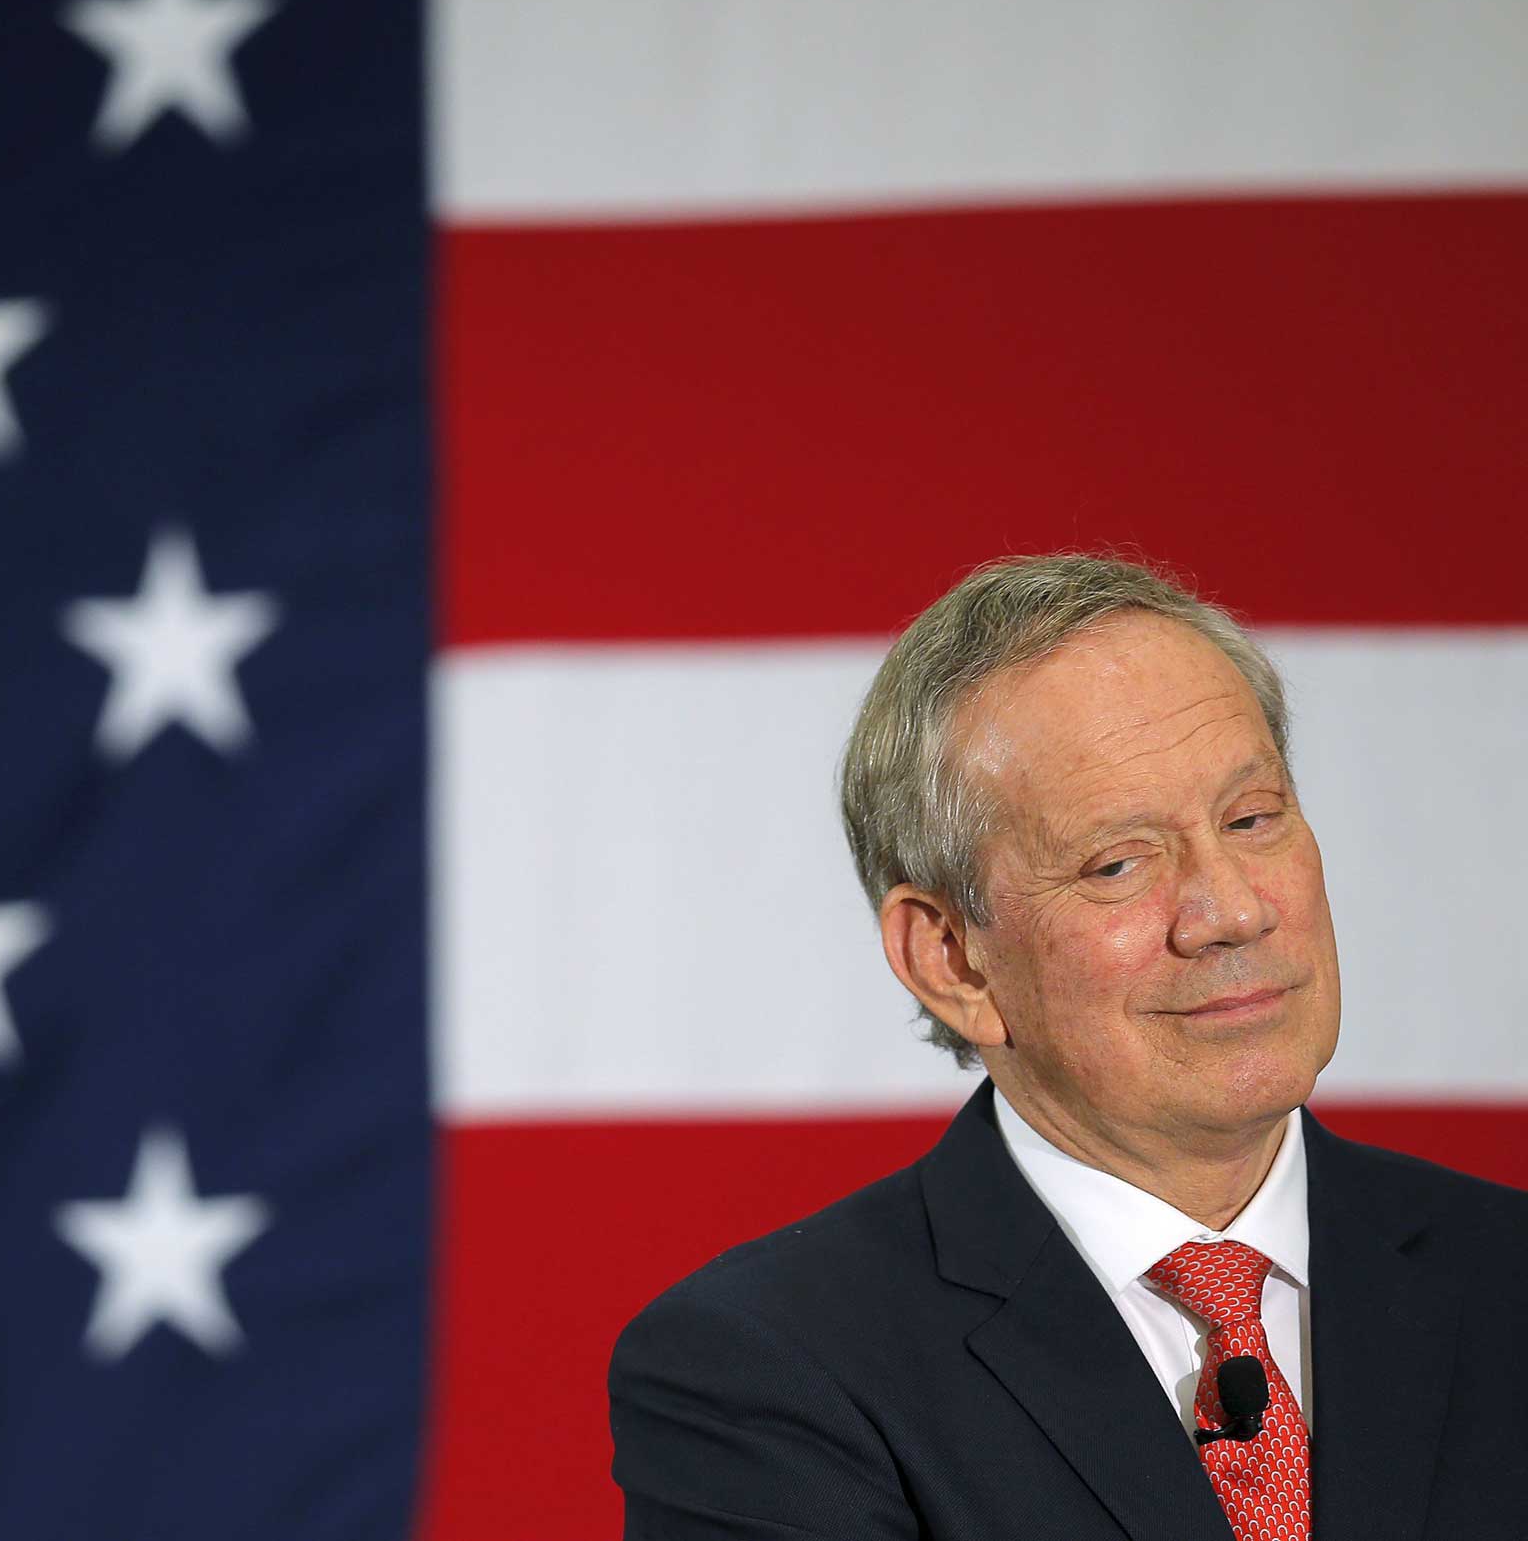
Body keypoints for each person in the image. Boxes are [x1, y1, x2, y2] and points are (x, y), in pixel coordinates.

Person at [608, 554, 1528, 1540]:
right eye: (1116, 861)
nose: (1230, 910)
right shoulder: (767, 1367)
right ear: (951, 958)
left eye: (1251, 818)